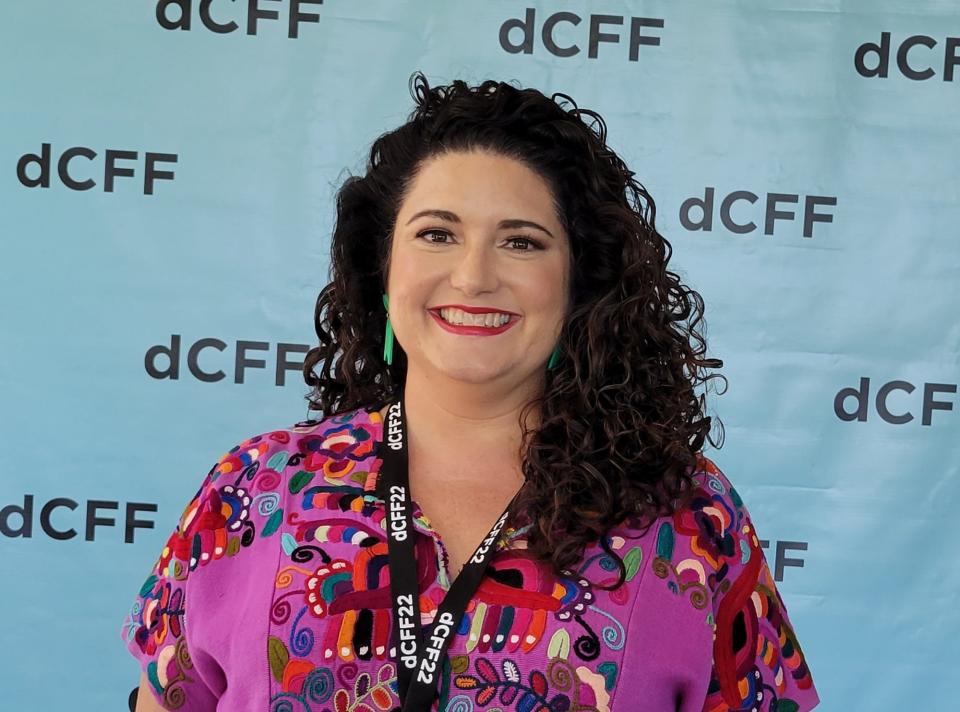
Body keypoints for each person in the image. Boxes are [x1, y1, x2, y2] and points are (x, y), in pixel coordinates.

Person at [121, 72, 819, 712]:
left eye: (522, 242)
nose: (473, 276)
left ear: (580, 283)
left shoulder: (688, 517)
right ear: (383, 268)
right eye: (437, 234)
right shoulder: (254, 488)